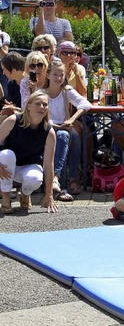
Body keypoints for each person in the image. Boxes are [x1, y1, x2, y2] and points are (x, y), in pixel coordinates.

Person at [0, 91, 57, 214]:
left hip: (29, 165)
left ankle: (25, 194)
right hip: (7, 165)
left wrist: (49, 194)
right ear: (28, 106)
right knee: (6, 155)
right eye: (37, 104)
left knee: (35, 178)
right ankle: (6, 196)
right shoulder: (13, 120)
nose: (41, 107)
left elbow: (48, 164)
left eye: (45, 104)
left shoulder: (49, 131)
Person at [43, 60, 91, 200]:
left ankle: (68, 179)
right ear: (48, 75)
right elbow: (39, 116)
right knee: (63, 137)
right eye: (55, 74)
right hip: (48, 129)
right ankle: (60, 183)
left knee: (74, 136)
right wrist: (57, 126)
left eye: (61, 75)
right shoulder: (42, 93)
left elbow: (85, 103)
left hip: (64, 127)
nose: (58, 78)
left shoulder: (66, 91)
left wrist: (72, 119)